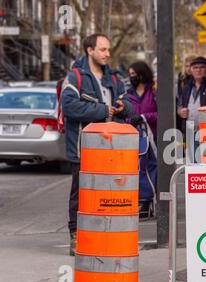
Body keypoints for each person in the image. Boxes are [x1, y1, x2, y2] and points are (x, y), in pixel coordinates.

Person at [61, 33, 133, 256]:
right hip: (84, 150)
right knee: (81, 194)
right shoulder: (75, 77)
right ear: (89, 50)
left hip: (112, 148)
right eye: (102, 49)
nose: (107, 54)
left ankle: (104, 235)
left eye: (108, 50)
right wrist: (103, 110)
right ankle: (76, 237)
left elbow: (130, 105)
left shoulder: (114, 78)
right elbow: (69, 107)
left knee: (108, 194)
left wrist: (124, 106)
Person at [126, 61, 158, 220]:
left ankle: (148, 200)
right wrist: (129, 120)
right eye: (130, 75)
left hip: (152, 137)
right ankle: (141, 200)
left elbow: (162, 112)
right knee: (137, 168)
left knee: (152, 167)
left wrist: (144, 117)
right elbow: (122, 113)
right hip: (133, 137)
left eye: (134, 74)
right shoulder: (127, 94)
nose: (132, 77)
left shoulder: (154, 92)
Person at [176, 56, 206, 163]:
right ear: (190, 70)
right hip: (190, 129)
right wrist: (180, 111)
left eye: (202, 67)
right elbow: (180, 105)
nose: (198, 70)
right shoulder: (186, 86)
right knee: (192, 161)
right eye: (195, 67)